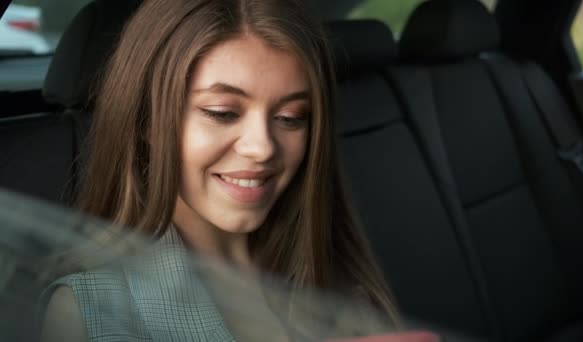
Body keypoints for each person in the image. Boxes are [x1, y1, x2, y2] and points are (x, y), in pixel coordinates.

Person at [40, 0, 403, 341]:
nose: (262, 148)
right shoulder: (90, 314)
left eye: (291, 118)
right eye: (222, 113)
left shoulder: (342, 283)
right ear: (147, 121)